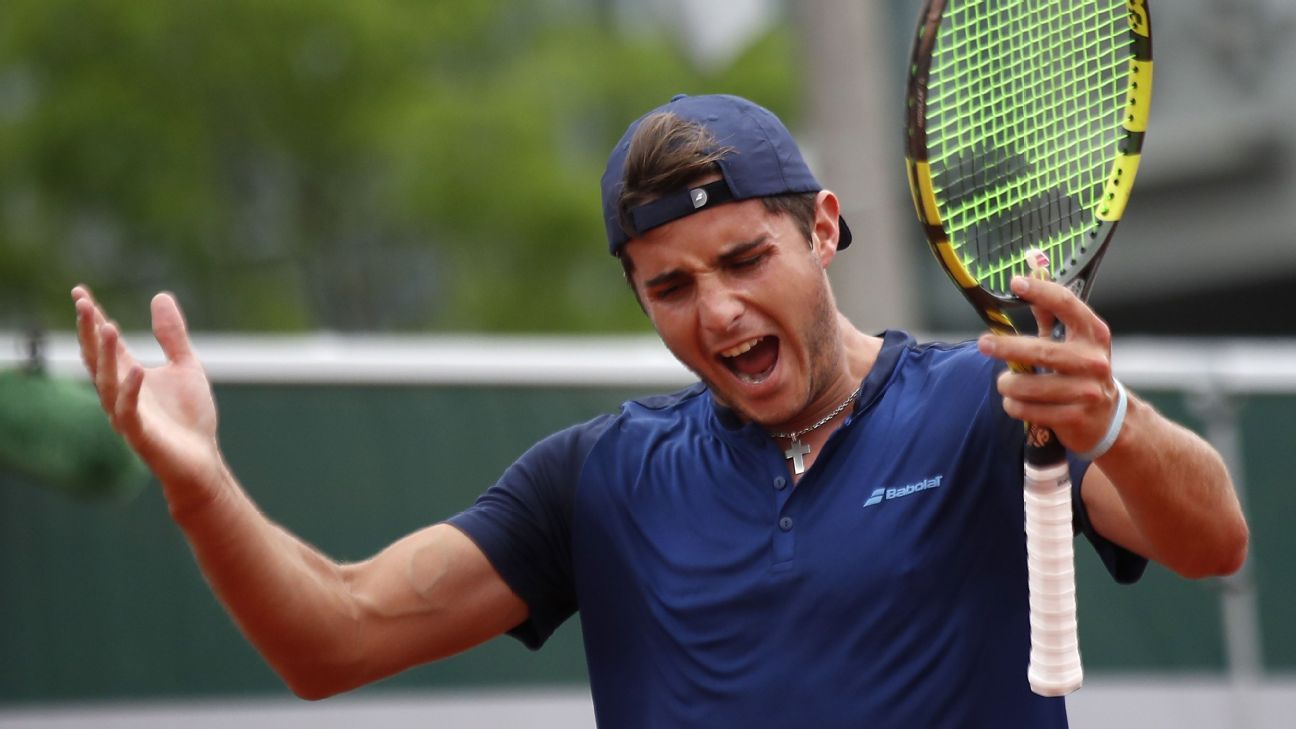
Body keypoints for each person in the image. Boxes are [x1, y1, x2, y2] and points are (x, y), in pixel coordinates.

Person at [72, 93, 1248, 728]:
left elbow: (1213, 540)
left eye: (744, 259)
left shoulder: (987, 403)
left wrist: (1114, 422)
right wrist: (199, 484)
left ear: (822, 228)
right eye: (671, 286)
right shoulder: (598, 479)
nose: (719, 310)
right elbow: (331, 638)